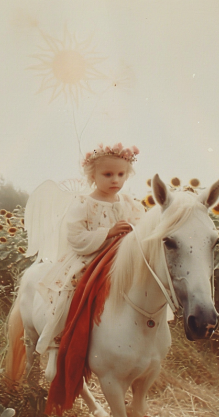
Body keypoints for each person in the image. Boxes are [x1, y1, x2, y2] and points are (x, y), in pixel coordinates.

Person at [35, 142, 145, 355]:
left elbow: (141, 226)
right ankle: (59, 338)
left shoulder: (129, 202)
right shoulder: (84, 203)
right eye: (108, 174)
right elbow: (75, 237)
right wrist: (108, 232)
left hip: (121, 257)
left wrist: (133, 231)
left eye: (121, 174)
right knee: (71, 292)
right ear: (92, 176)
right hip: (89, 257)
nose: (116, 180)